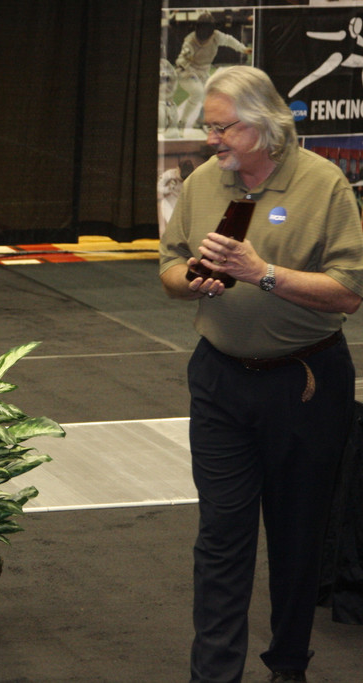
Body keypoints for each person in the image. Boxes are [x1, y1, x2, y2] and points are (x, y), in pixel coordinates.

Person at [159, 66, 363, 683]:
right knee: (221, 535)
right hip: (220, 380)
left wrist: (262, 273)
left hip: (305, 384)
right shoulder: (203, 181)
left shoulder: (323, 185)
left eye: (223, 127)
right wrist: (187, 279)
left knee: (297, 537)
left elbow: (349, 293)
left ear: (265, 124)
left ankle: (288, 666)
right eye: (210, 125)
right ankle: (214, 673)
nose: (212, 137)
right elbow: (168, 264)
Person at [174, 12, 252, 135]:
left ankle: (200, 122)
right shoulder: (190, 40)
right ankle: (181, 123)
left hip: (203, 72)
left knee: (211, 95)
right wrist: (187, 68)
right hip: (186, 73)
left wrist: (243, 49)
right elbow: (182, 60)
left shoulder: (216, 36)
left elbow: (229, 41)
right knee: (198, 93)